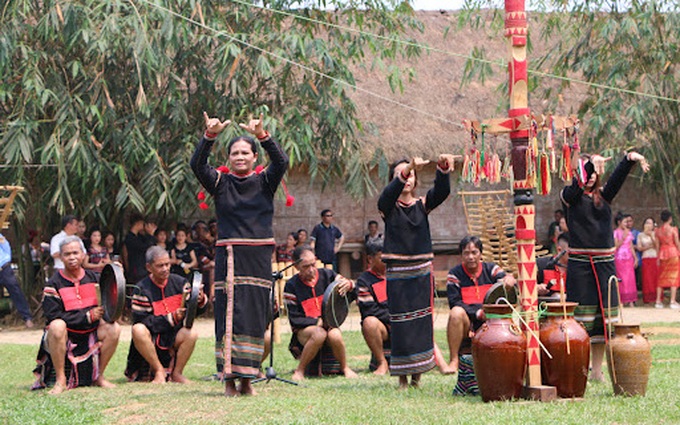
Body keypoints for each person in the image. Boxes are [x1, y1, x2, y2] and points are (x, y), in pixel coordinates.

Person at [191, 111, 288, 397]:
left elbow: (281, 160)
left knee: (255, 315)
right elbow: (197, 164)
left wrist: (262, 135)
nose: (240, 156)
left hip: (258, 257)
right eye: (235, 153)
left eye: (246, 152)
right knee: (229, 314)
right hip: (230, 256)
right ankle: (230, 381)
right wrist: (209, 136)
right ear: (229, 157)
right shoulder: (220, 184)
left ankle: (247, 381)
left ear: (255, 157)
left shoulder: (266, 182)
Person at [560, 147, 649, 381]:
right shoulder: (570, 197)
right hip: (580, 265)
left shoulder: (604, 196)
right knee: (582, 320)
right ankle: (580, 368)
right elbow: (576, 186)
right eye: (585, 171)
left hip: (605, 265)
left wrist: (628, 159)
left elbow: (617, 179)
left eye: (592, 172)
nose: (589, 176)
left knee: (603, 321)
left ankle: (597, 371)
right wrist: (590, 163)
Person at [378, 155, 452, 389]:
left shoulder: (422, 205)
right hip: (398, 272)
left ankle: (417, 377)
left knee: (421, 322)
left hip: (420, 271)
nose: (408, 178)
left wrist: (442, 169)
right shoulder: (387, 207)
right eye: (402, 174)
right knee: (400, 323)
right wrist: (408, 167)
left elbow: (441, 192)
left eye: (411, 174)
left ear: (417, 181)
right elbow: (388, 194)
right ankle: (401, 377)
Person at [32, 236, 120, 394]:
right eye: (67, 254)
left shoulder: (95, 279)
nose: (72, 257)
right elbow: (53, 316)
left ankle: (98, 376)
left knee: (114, 329)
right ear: (60, 257)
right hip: (66, 334)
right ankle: (61, 380)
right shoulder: (53, 284)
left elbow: (109, 304)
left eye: (75, 253)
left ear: (83, 254)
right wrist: (87, 316)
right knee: (56, 326)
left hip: (90, 332)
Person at [124, 246, 207, 383]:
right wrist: (171, 318)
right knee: (137, 330)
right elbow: (142, 321)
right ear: (149, 267)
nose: (165, 269)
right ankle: (158, 370)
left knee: (191, 333)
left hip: (173, 336)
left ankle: (177, 373)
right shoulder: (141, 289)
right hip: (151, 339)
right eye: (160, 266)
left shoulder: (180, 283)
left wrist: (199, 300)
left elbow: (194, 312)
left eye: (167, 264)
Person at [283, 246, 357, 381]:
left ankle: (345, 368)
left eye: (313, 264)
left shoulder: (328, 275)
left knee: (335, 334)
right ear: (297, 266)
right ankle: (300, 370)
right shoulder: (291, 286)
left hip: (328, 325)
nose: (311, 269)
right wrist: (318, 322)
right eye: (306, 266)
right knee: (319, 333)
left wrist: (349, 284)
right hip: (305, 330)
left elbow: (350, 289)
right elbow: (295, 319)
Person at [446, 235, 516, 372]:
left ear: (481, 254)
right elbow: (455, 302)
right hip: (469, 323)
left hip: (491, 321)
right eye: (466, 253)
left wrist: (509, 280)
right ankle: (454, 360)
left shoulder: (492, 269)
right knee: (455, 312)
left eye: (474, 252)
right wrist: (478, 313)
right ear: (461, 256)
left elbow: (508, 284)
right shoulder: (454, 274)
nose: (470, 257)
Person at [354, 240, 390, 375]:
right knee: (369, 322)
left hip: (401, 322)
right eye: (382, 258)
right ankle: (382, 362)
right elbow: (369, 310)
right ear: (370, 259)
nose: (386, 262)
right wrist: (393, 318)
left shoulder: (397, 275)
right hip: (385, 326)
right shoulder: (364, 281)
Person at [0, 233, 34, 328]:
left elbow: (5, 246)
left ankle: (27, 318)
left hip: (3, 268)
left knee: (16, 291)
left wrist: (6, 260)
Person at [654, 210, 680, 309]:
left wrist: (657, 257)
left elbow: (657, 246)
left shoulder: (658, 231)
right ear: (670, 218)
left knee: (661, 277)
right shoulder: (673, 229)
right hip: (673, 253)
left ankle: (658, 301)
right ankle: (672, 301)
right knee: (674, 277)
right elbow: (677, 243)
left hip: (662, 253)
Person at [123, 213, 156, 285]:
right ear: (138, 223)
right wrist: (150, 235)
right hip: (136, 269)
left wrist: (149, 234)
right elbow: (145, 247)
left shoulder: (139, 236)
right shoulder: (130, 238)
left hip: (143, 267)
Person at [537, 233, 570, 301]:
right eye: (570, 253)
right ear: (559, 250)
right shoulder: (542, 265)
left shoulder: (579, 269)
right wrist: (536, 288)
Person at [614, 212, 638, 307]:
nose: (626, 224)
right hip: (620, 258)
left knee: (630, 279)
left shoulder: (629, 232)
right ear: (619, 222)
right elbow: (616, 246)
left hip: (628, 257)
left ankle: (631, 300)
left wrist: (635, 258)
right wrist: (623, 238)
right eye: (624, 222)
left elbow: (631, 246)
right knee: (622, 279)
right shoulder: (616, 233)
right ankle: (621, 300)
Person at [636, 217, 658, 305]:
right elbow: (639, 248)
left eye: (650, 223)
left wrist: (651, 236)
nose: (648, 225)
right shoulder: (640, 235)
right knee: (647, 279)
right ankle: (648, 298)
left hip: (655, 257)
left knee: (655, 278)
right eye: (647, 223)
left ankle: (657, 297)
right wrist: (649, 246)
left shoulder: (655, 234)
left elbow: (657, 246)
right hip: (646, 257)